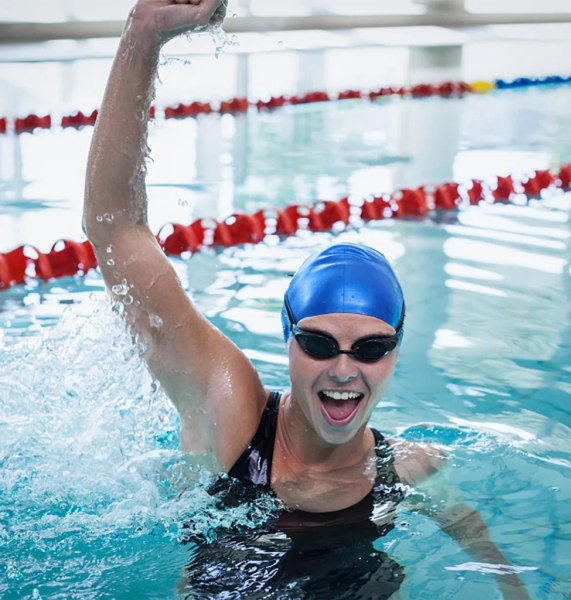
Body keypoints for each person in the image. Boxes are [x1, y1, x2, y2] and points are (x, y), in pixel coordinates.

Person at [83, 1, 531, 598]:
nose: (344, 369)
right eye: (320, 343)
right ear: (287, 338)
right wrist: (145, 34)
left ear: (397, 350)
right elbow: (114, 228)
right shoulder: (233, 416)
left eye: (370, 348)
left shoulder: (410, 470)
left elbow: (485, 553)